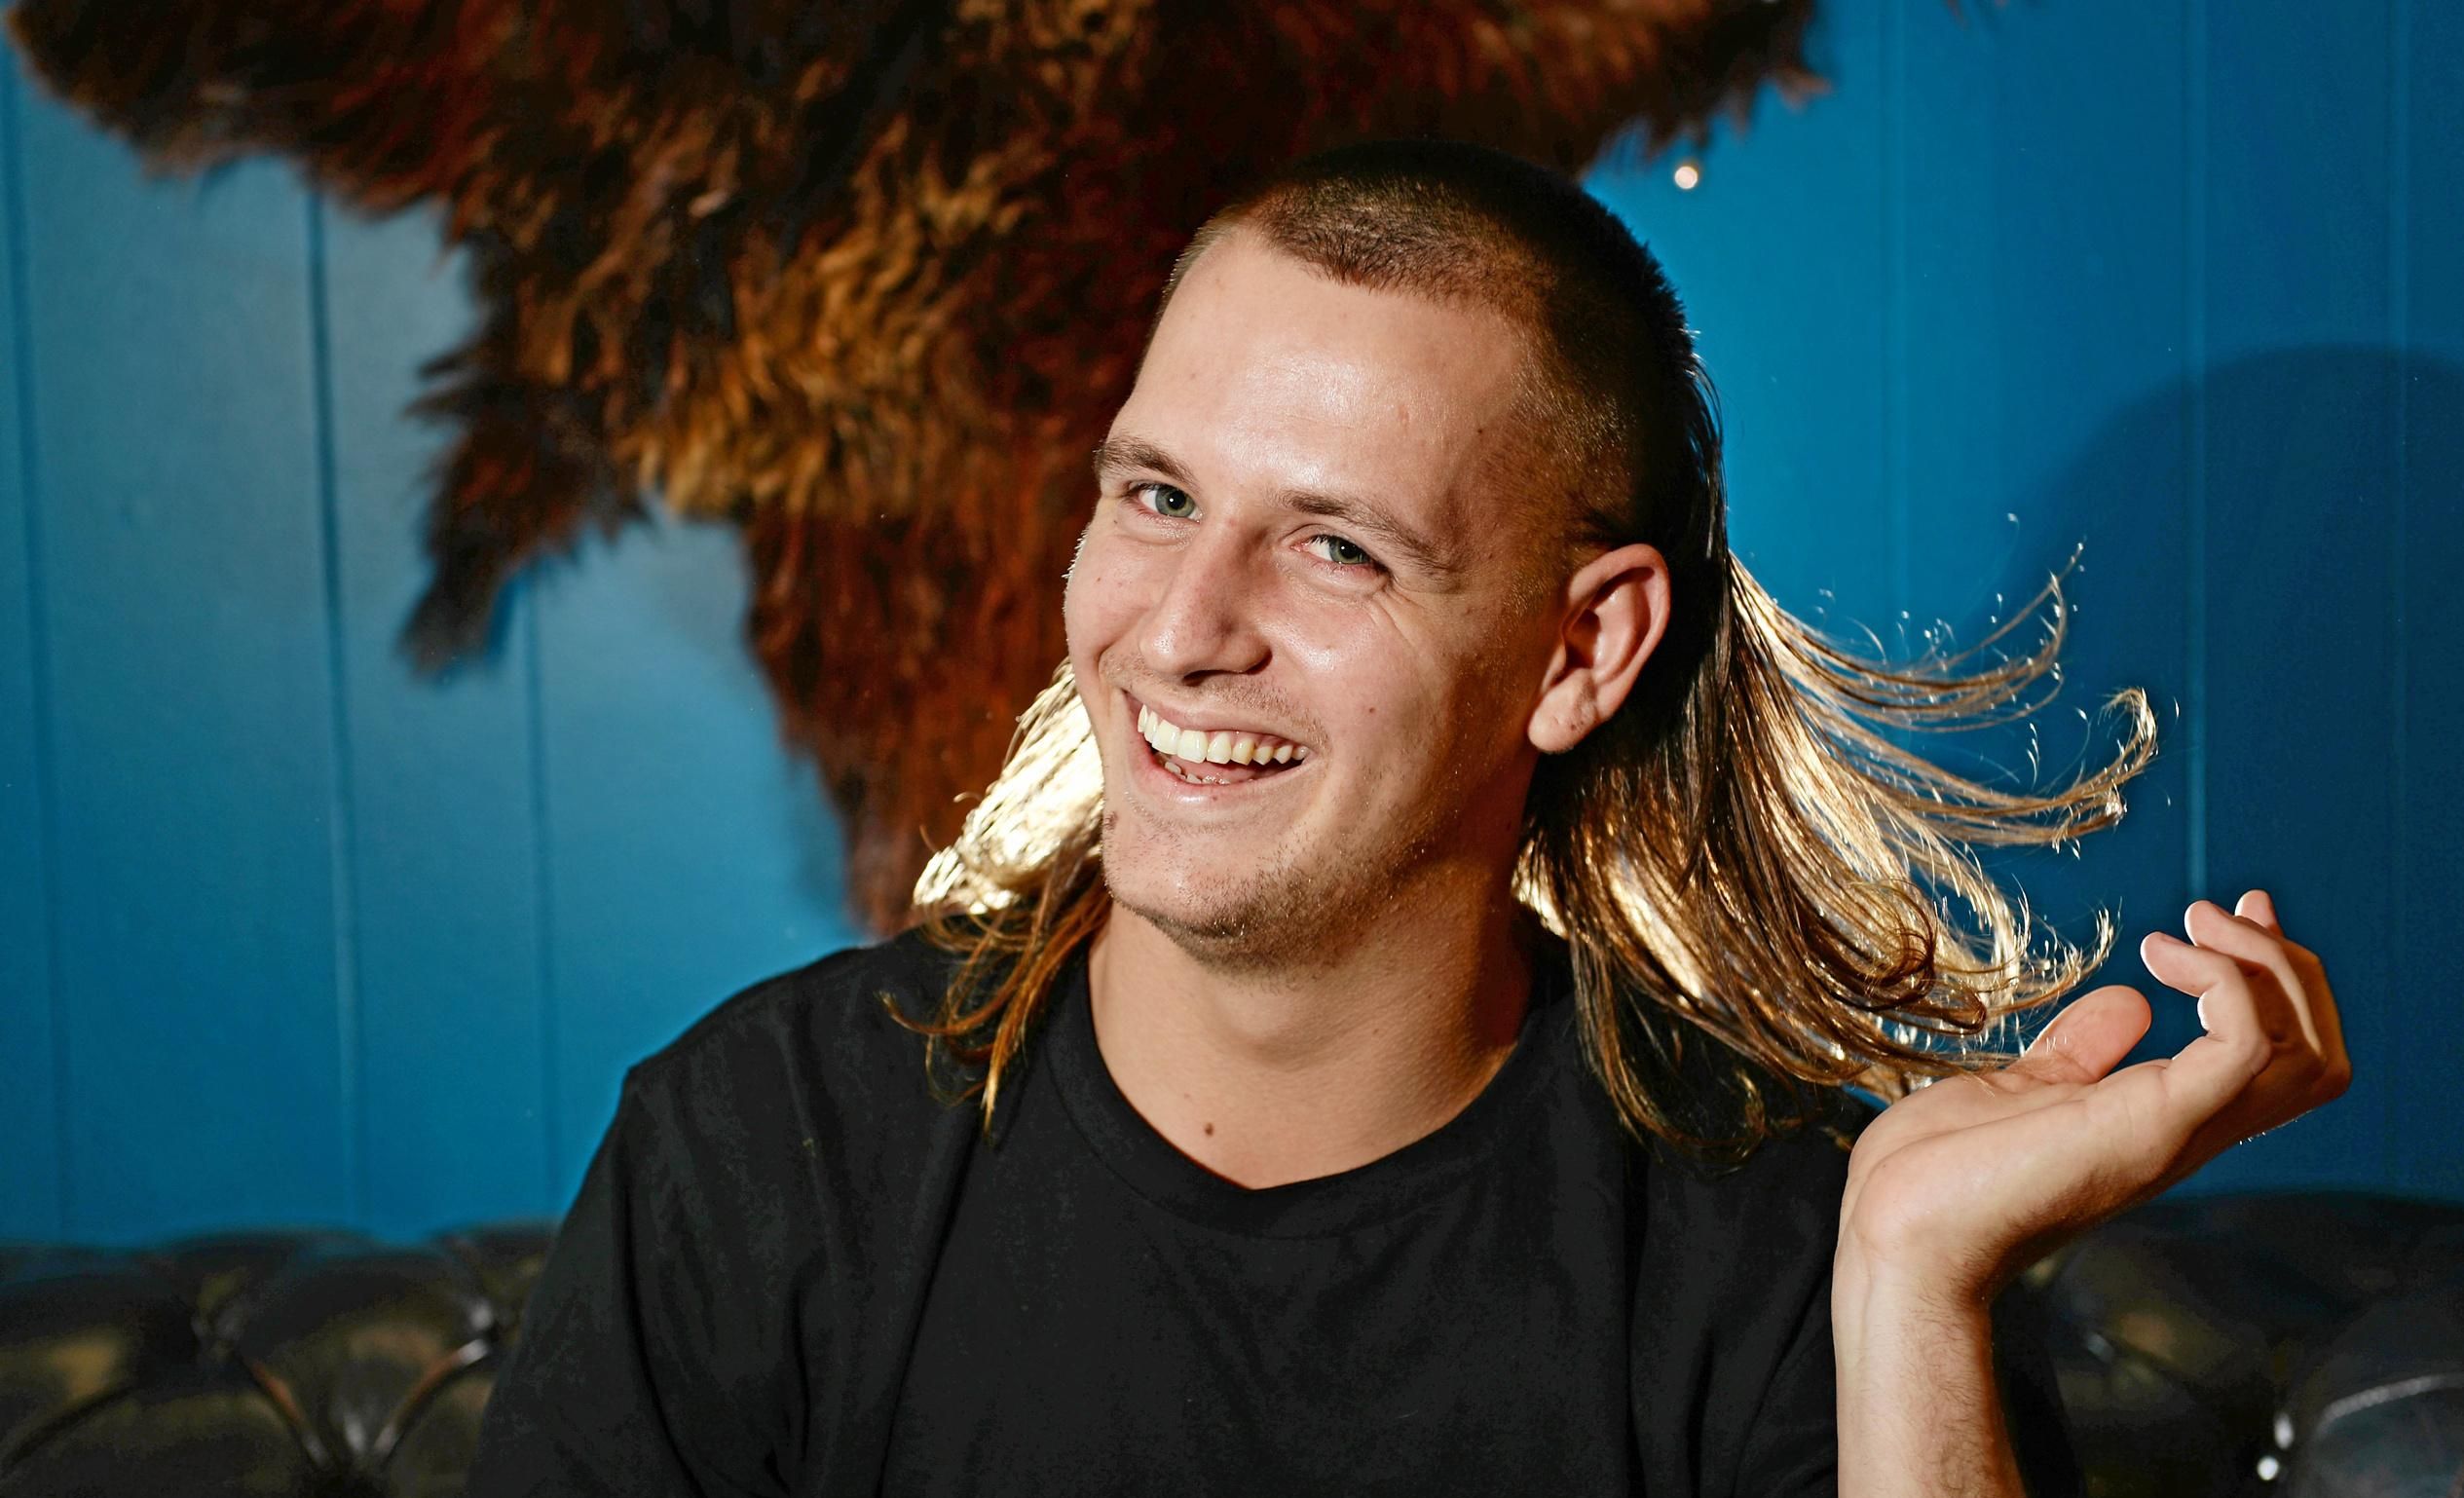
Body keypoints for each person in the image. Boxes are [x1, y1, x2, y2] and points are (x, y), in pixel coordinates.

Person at [465, 138, 2349, 1497]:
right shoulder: (759, 1151)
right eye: (1152, 497)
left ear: (1579, 647)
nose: (1182, 633)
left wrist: (1914, 1294)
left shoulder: (1796, 1251)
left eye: (1335, 546)